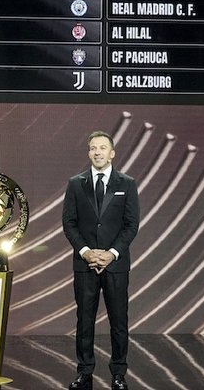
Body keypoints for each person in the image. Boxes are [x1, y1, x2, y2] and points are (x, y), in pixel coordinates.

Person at [62, 131, 140, 390]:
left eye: (102, 148)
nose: (97, 152)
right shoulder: (75, 183)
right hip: (85, 264)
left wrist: (111, 253)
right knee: (84, 321)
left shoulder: (127, 183)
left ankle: (118, 373)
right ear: (88, 153)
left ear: (112, 153)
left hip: (116, 265)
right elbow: (69, 223)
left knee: (119, 321)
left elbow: (131, 225)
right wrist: (86, 251)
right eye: (93, 148)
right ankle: (84, 372)